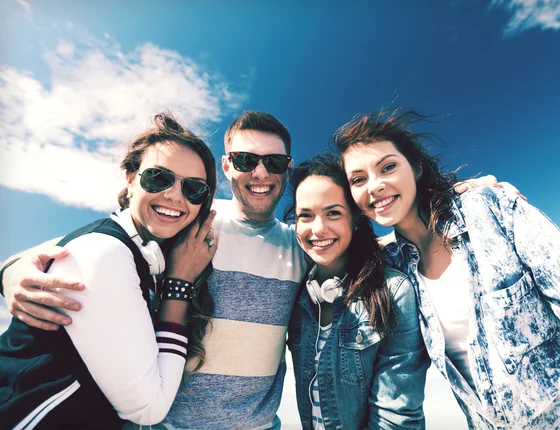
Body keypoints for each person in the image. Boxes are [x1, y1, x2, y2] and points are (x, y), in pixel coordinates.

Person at [0, 110, 515, 429]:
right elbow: (91, 244)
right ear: (226, 167)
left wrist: (446, 200)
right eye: (245, 161)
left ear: (288, 170)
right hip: (163, 425)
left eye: (274, 163)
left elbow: (375, 238)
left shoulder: (302, 245)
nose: (260, 173)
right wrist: (11, 269)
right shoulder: (187, 221)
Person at [333, 109, 560, 429]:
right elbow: (313, 246)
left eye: (388, 167)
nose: (375, 186)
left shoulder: (490, 209)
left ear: (416, 168)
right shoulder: (390, 264)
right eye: (358, 180)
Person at [0, 113, 218, 429]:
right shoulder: (107, 252)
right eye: (159, 177)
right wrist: (179, 284)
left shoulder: (137, 249)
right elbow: (148, 409)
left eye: (194, 189)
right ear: (130, 177)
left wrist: (8, 268)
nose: (174, 195)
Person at [284, 155, 429, 429]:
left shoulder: (393, 291)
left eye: (333, 213)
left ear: (355, 219)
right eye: (306, 215)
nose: (318, 229)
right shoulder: (295, 292)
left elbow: (396, 417)